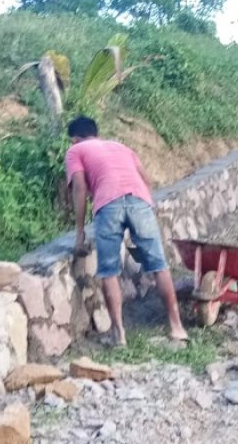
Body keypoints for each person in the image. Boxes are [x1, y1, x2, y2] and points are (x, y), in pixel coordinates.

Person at [65, 116, 188, 346]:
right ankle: (177, 327)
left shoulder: (75, 151)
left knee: (109, 270)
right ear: (96, 134)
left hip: (107, 205)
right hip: (139, 200)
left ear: (74, 139)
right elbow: (147, 180)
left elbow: (79, 188)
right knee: (159, 266)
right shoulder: (120, 147)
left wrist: (80, 232)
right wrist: (144, 208)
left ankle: (118, 334)